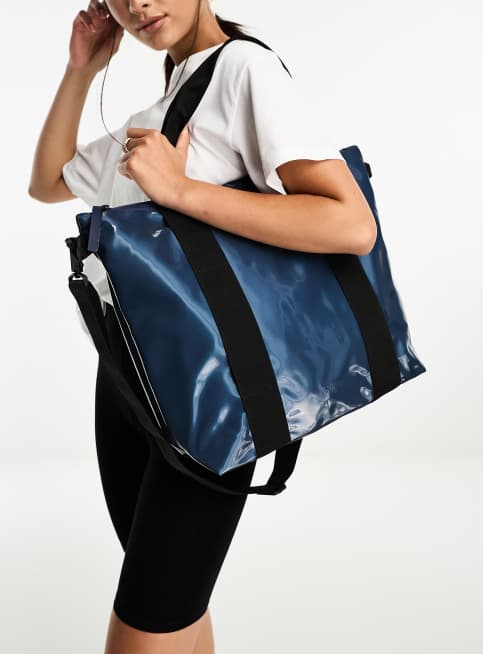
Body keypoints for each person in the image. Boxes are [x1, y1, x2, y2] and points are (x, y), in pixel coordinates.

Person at [28, 1, 377, 652]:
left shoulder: (243, 70)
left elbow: (351, 224)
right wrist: (81, 71)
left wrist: (181, 192)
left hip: (210, 397)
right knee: (176, 609)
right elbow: (47, 182)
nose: (135, 4)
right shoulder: (156, 117)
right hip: (128, 389)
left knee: (151, 618)